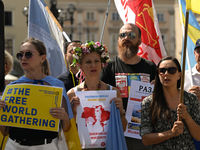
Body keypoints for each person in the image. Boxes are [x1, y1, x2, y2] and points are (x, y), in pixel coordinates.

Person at [0, 37, 71, 149]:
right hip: (15, 146)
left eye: (28, 54)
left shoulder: (56, 85)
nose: (23, 58)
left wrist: (65, 118)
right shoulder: (12, 88)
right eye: (20, 55)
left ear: (42, 58)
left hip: (46, 146)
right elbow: (5, 132)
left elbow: (66, 128)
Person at [100, 23, 156, 149]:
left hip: (143, 134)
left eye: (131, 35)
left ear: (140, 40)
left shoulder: (150, 67)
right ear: (119, 40)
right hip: (116, 130)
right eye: (122, 35)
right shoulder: (108, 67)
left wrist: (158, 88)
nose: (126, 38)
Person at [67, 41, 128, 149]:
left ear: (102, 64)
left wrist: (121, 111)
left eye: (96, 61)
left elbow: (122, 128)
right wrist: (72, 111)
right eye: (88, 62)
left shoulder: (113, 92)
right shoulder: (72, 94)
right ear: (80, 65)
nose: (93, 65)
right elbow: (66, 129)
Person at [140, 56, 200, 149]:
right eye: (162, 70)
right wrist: (171, 133)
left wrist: (187, 117)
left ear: (179, 75)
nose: (166, 74)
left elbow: (198, 136)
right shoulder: (149, 102)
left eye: (172, 70)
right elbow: (146, 139)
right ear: (158, 74)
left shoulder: (191, 99)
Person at [184, 39, 200, 149]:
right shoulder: (183, 76)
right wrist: (187, 97)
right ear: (194, 53)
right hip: (190, 128)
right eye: (199, 51)